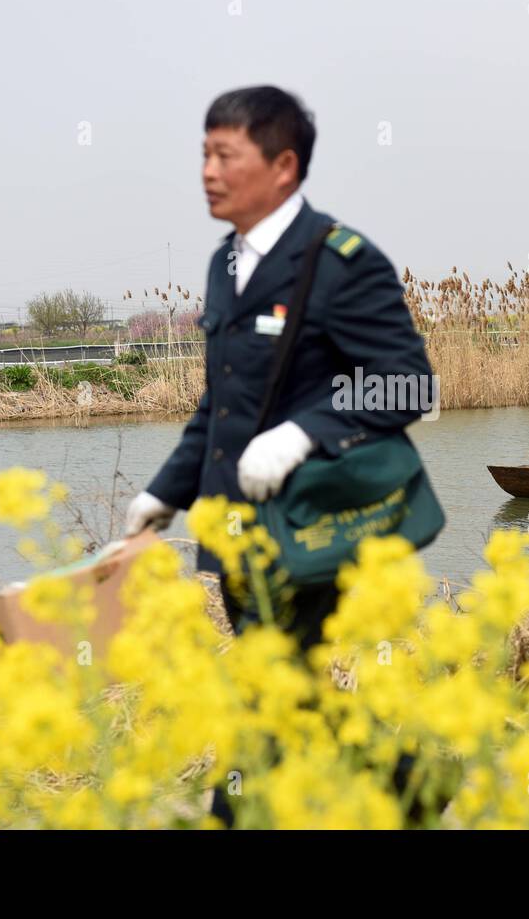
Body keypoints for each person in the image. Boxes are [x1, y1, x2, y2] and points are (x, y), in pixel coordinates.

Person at [123, 85, 433, 651]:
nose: (207, 172)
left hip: (317, 529)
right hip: (241, 531)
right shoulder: (226, 262)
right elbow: (223, 402)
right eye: (204, 155)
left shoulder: (341, 260)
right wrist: (166, 491)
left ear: (283, 166)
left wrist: (301, 434)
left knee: (299, 706)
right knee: (277, 703)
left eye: (225, 156)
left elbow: (409, 384)